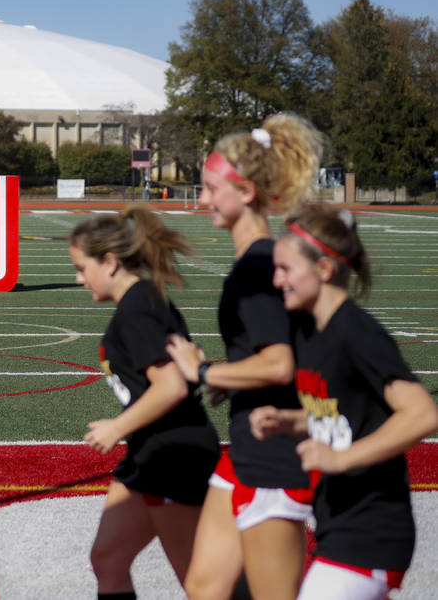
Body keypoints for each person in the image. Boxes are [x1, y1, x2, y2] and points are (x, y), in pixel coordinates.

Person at [166, 112, 323, 600]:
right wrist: (231, 378)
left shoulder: (255, 269)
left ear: (247, 193)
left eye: (212, 188)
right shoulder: (255, 262)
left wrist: (205, 369)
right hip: (247, 449)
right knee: (206, 586)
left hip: (274, 454)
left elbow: (280, 364)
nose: (204, 199)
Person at [250, 207, 438, 600]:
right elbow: (343, 415)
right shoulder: (311, 331)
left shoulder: (356, 331)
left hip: (372, 529)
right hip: (337, 520)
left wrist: (342, 458)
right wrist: (288, 420)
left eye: (285, 268)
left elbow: (422, 413)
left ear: (323, 270)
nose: (276, 278)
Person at [70, 205, 220, 599]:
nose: (78, 278)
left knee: (202, 584)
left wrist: (118, 427)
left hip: (174, 454)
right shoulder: (141, 303)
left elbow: (170, 386)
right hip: (149, 453)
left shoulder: (137, 310)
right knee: (109, 559)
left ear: (110, 262)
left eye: (82, 268)